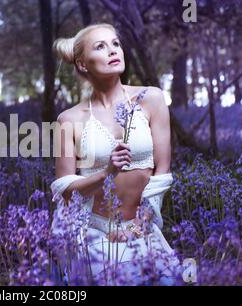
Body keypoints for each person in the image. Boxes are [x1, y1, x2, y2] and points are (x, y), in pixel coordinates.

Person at [49, 23, 181, 285]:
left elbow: (162, 173)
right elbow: (64, 189)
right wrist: (106, 173)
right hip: (92, 231)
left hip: (140, 228)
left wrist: (139, 225)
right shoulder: (68, 120)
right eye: (100, 46)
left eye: (115, 43)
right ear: (83, 64)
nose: (112, 50)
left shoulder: (151, 99)